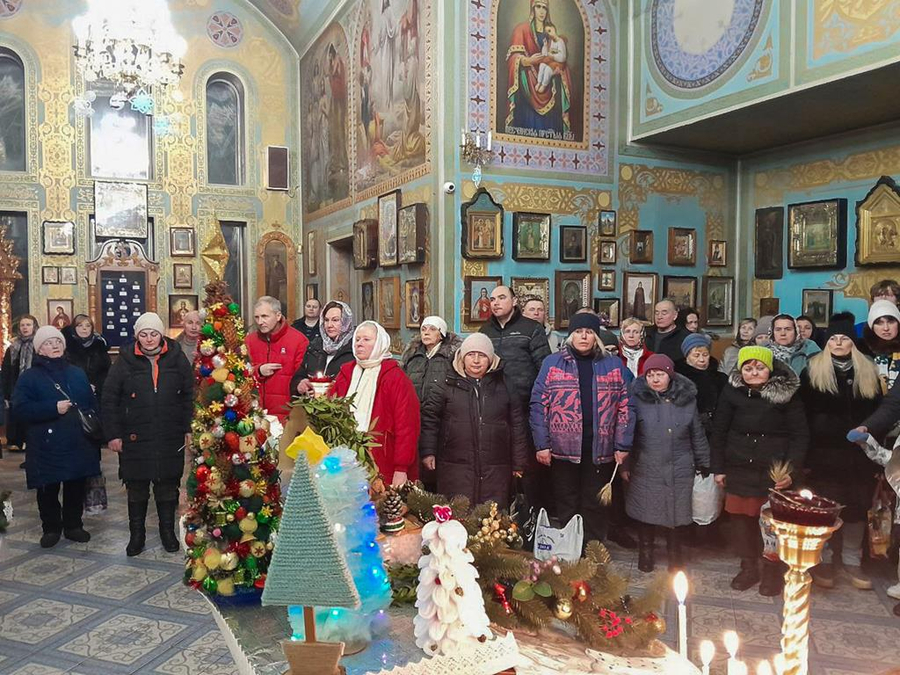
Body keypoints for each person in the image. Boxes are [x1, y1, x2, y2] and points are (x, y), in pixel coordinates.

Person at [530, 312, 633, 546]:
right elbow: (538, 404)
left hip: (600, 448)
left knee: (594, 503)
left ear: (596, 336)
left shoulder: (613, 365)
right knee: (567, 501)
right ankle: (570, 550)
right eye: (578, 332)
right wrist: (542, 444)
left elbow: (626, 406)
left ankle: (593, 550)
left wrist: (622, 444)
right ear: (570, 336)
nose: (583, 336)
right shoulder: (552, 363)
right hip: (562, 449)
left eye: (589, 332)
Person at [711, 346, 808, 596]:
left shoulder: (786, 394)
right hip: (739, 466)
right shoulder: (731, 391)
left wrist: (790, 471)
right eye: (748, 368)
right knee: (741, 522)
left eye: (759, 367)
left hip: (773, 470)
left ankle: (772, 570)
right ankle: (748, 567)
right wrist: (718, 468)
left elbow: (799, 436)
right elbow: (719, 430)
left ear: (770, 370)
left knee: (772, 524)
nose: (753, 372)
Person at [102, 313, 194, 556]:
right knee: (137, 486)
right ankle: (137, 536)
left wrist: (188, 428)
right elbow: (109, 399)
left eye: (154, 334)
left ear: (161, 334)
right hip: (135, 434)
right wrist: (113, 434)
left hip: (169, 433)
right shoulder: (124, 361)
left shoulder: (177, 358)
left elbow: (189, 395)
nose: (149, 339)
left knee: (167, 484)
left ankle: (167, 533)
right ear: (137, 336)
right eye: (144, 334)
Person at [801, 314, 881, 591]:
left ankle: (851, 560)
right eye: (833, 338)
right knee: (824, 510)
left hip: (859, 455)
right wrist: (806, 456)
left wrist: (873, 449)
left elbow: (878, 414)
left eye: (844, 338)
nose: (837, 342)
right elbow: (802, 415)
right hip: (823, 455)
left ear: (852, 343)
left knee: (857, 508)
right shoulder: (812, 370)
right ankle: (823, 559)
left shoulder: (867, 371)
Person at [12, 326, 100, 548]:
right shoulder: (29, 377)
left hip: (78, 441)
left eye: (58, 342)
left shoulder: (77, 373)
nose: (55, 346)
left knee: (75, 485)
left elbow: (91, 405)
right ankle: (51, 528)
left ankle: (73, 525)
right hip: (46, 444)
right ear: (39, 349)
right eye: (49, 343)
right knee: (48, 488)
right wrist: (52, 408)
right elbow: (20, 409)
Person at [420, 334, 527, 508]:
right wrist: (428, 451)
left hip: (496, 467)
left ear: (490, 359)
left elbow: (517, 424)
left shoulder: (505, 384)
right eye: (471, 354)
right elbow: (430, 419)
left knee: (492, 516)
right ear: (463, 357)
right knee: (456, 515)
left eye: (482, 355)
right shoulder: (446, 382)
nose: (476, 360)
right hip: (454, 466)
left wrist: (519, 462)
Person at [625, 354, 709, 572]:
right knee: (646, 510)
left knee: (676, 511)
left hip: (680, 463)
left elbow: (697, 433)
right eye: (650, 375)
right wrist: (625, 464)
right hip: (646, 463)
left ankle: (675, 554)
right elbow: (628, 434)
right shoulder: (637, 399)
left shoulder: (686, 400)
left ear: (670, 375)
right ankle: (646, 552)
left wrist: (703, 461)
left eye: (660, 374)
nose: (655, 379)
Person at [482, 285, 552, 508]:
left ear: (514, 302)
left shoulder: (531, 329)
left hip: (525, 407)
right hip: (494, 408)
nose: (496, 302)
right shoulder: (485, 331)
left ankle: (532, 514)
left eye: (502, 297)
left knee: (528, 466)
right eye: (492, 299)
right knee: (497, 462)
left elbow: (545, 369)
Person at [332, 321, 420, 487]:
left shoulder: (394, 377)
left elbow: (407, 425)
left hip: (383, 459)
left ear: (380, 343)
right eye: (357, 339)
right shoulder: (346, 373)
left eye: (366, 339)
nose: (359, 343)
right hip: (344, 459)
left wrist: (401, 468)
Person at [62, 314, 112, 515]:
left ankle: (92, 494)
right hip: (72, 401)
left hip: (94, 402)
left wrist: (96, 386)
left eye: (88, 325)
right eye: (80, 326)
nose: (84, 329)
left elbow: (106, 374)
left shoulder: (100, 347)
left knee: (92, 446)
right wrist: (80, 385)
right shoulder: (67, 347)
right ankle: (73, 492)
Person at [245, 296, 309, 420]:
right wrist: (258, 371)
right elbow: (240, 374)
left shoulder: (298, 341)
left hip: (286, 415)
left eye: (265, 316)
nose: (260, 322)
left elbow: (301, 377)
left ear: (278, 316)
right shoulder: (249, 341)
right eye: (257, 317)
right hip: (255, 416)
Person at [291, 301, 356, 393]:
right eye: (326, 320)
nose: (329, 325)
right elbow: (298, 376)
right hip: (313, 400)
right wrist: (299, 384)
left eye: (335, 320)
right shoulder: (315, 346)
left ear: (346, 322)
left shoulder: (355, 348)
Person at [401, 315, 463, 403]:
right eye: (423, 329)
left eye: (432, 329)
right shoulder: (412, 356)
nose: (426, 333)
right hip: (414, 407)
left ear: (441, 335)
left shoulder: (451, 357)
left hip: (442, 409)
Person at [3, 314, 39, 454]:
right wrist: (7, 392)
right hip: (17, 386)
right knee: (16, 414)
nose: (25, 328)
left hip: (35, 386)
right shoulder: (13, 347)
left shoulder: (39, 346)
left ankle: (30, 441)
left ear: (34, 327)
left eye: (28, 325)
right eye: (22, 325)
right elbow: (6, 371)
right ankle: (15, 441)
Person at [860, 299, 900, 394]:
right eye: (879, 323)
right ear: (872, 326)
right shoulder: (861, 350)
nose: (886, 328)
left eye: (891, 322)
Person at [535, 22, 567, 94]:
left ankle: (544, 85)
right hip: (551, 61)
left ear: (554, 29)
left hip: (558, 63)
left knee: (547, 69)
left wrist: (553, 56)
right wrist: (545, 45)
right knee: (542, 65)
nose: (549, 34)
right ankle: (539, 82)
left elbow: (563, 57)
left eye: (549, 31)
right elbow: (545, 53)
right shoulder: (550, 41)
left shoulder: (560, 42)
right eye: (547, 33)